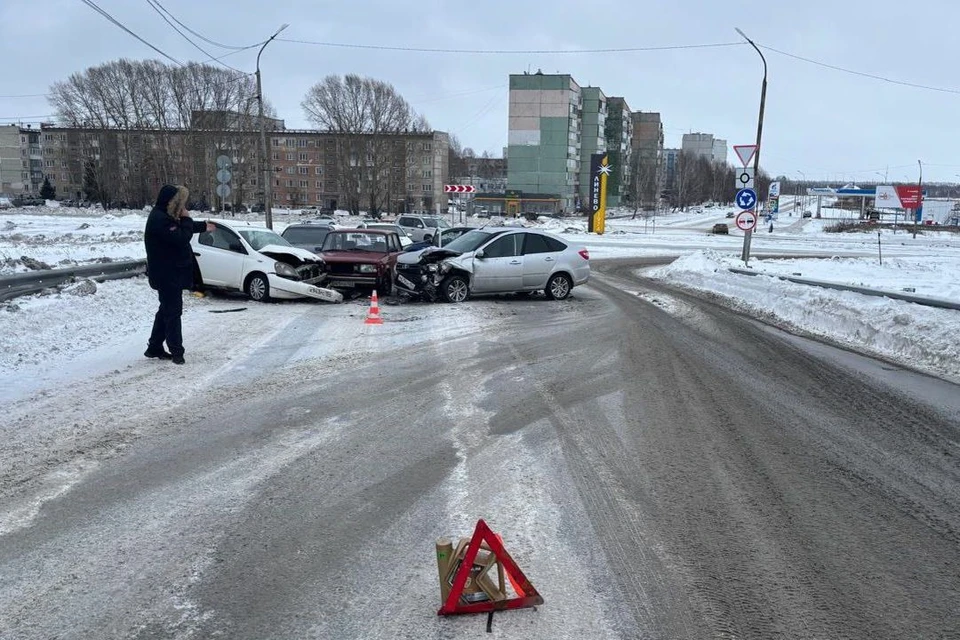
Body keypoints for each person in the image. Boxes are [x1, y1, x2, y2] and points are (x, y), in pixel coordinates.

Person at [143, 185, 214, 365]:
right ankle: (177, 352)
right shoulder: (159, 219)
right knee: (173, 312)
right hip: (166, 275)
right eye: (181, 202)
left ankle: (154, 347)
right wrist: (188, 219)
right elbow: (181, 236)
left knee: (165, 310)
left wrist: (204, 226)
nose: (183, 207)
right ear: (173, 202)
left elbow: (180, 227)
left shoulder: (164, 216)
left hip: (169, 273)